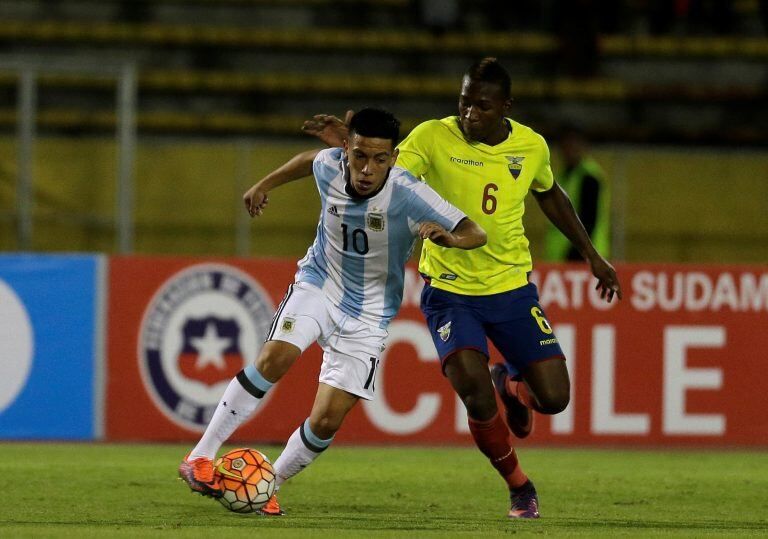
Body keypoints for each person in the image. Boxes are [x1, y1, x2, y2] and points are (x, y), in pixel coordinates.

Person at [302, 58, 622, 519]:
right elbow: (385, 170)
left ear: (505, 107)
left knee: (554, 399)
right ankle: (519, 486)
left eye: (482, 106)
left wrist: (593, 255)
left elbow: (549, 193)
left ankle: (510, 386)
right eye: (464, 102)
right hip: (449, 291)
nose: (470, 113)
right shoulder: (432, 136)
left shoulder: (531, 146)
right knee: (472, 389)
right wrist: (352, 143)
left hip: (511, 288)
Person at [178, 108, 486, 515]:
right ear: (346, 149)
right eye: (359, 156)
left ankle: (267, 483)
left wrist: (449, 239)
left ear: (394, 159)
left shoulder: (411, 193)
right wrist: (264, 184)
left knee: (326, 420)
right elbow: (308, 160)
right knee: (276, 356)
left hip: (370, 313)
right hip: (319, 284)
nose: (367, 169)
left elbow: (475, 232)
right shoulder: (330, 165)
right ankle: (200, 455)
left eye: (379, 159)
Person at [545, 125, 610, 262]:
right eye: (566, 146)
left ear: (584, 147)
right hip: (560, 257)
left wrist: (579, 254)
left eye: (574, 145)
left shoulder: (589, 177)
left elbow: (588, 220)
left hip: (581, 258)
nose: (570, 151)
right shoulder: (562, 176)